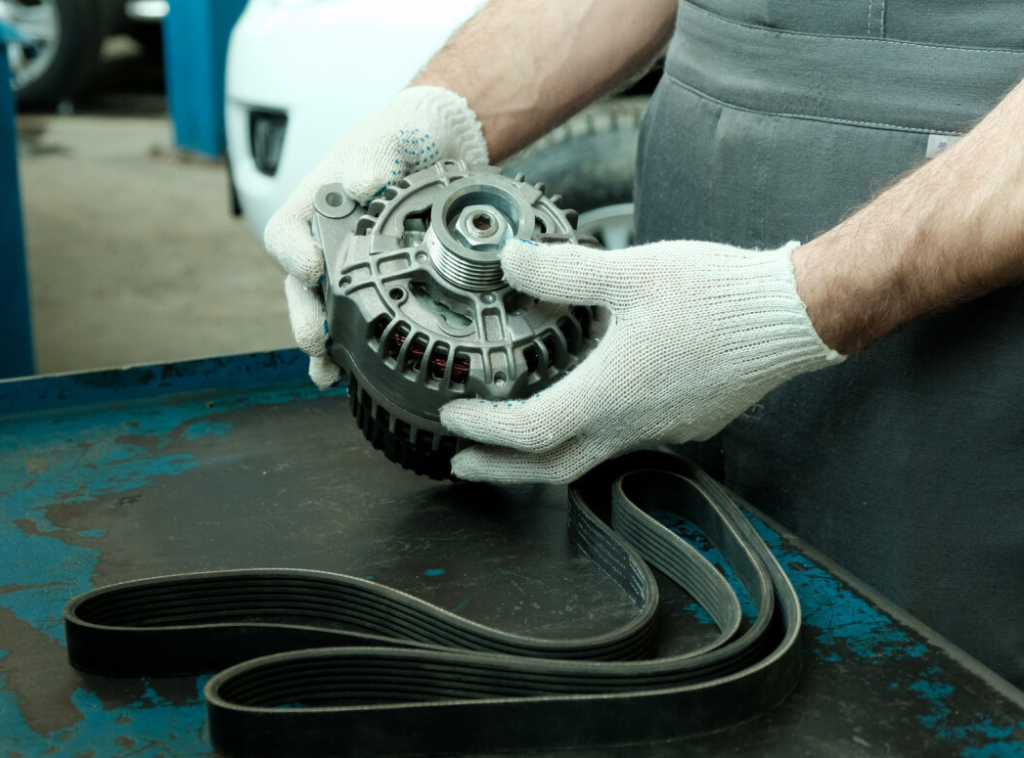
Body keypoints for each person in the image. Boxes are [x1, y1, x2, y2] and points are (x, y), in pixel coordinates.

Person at [264, 0, 1024, 687]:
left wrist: (795, 304)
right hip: (685, 228)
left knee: (914, 690)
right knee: (688, 657)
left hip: (963, 291)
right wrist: (441, 112)